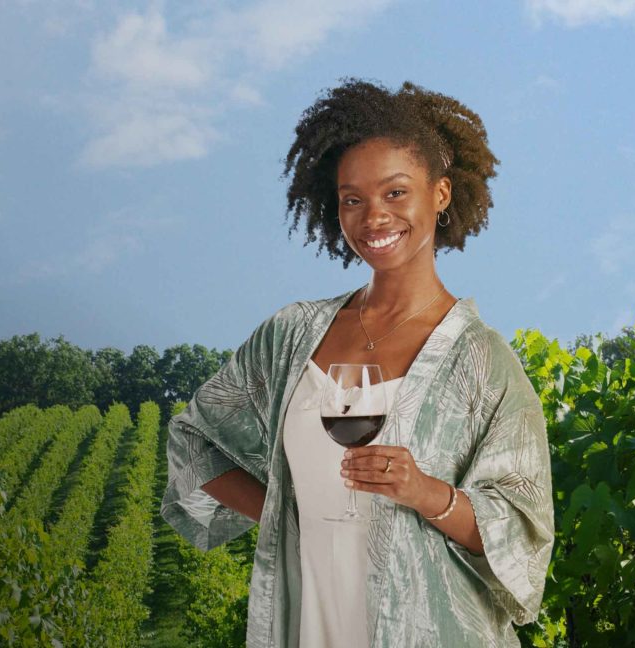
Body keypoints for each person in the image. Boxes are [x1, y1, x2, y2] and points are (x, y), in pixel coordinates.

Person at [161, 78, 554, 647]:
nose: (374, 217)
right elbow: (193, 440)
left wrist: (425, 492)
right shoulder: (290, 335)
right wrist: (283, 514)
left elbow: (520, 528)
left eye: (396, 193)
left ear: (440, 194)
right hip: (309, 622)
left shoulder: (482, 361)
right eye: (353, 199)